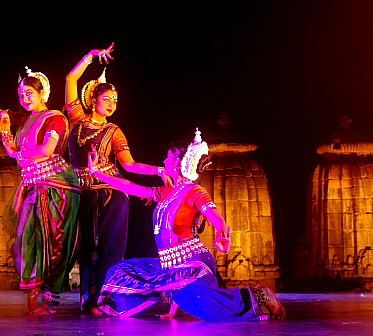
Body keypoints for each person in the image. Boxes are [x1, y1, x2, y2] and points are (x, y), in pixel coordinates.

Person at [87, 129, 286, 321]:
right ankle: (177, 299)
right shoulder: (166, 192)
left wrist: (221, 235)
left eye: (168, 157)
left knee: (204, 307)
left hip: (192, 263)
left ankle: (259, 295)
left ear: (179, 162)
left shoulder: (195, 192)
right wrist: (96, 172)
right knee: (121, 271)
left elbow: (216, 217)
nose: (164, 161)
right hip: (169, 265)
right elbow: (130, 187)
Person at [64, 44, 171, 313]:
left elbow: (130, 165)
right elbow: (70, 79)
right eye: (107, 99)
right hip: (80, 192)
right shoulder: (75, 119)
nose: (112, 104)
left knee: (110, 249)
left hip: (110, 193)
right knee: (84, 248)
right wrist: (89, 57)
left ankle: (106, 298)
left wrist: (160, 171)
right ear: (92, 100)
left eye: (115, 100)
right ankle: (88, 299)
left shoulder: (115, 131)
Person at [0, 68, 82, 315]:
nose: (24, 98)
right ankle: (31, 298)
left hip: (57, 185)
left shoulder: (55, 118)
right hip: (32, 185)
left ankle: (50, 298)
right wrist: (0, 115)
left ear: (42, 93)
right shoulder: (23, 120)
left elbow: (47, 150)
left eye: (29, 93)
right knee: (24, 241)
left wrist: (18, 154)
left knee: (53, 244)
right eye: (20, 94)